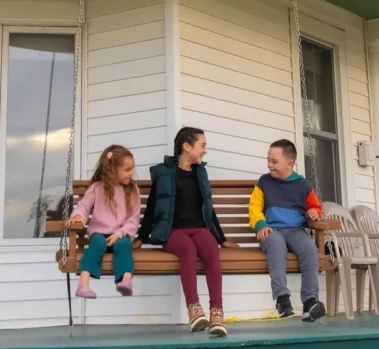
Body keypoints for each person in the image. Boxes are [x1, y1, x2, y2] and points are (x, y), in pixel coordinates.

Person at [138, 127, 232, 337]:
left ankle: (217, 312)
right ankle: (194, 309)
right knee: (188, 250)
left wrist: (221, 239)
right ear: (187, 147)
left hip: (199, 228)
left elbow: (209, 207)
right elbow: (153, 205)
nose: (205, 151)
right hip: (173, 231)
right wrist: (142, 237)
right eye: (202, 146)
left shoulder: (201, 172)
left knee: (211, 250)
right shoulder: (164, 172)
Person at [249, 139, 327, 321]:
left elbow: (315, 206)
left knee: (309, 250)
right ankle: (282, 301)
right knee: (276, 247)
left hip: (296, 231)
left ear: (290, 164)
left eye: (274, 162)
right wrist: (261, 224)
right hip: (271, 230)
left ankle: (310, 302)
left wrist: (315, 213)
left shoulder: (303, 184)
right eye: (268, 160)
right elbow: (254, 207)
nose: (269, 165)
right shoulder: (264, 182)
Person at [66, 145, 140, 298]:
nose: (131, 173)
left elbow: (133, 218)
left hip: (120, 235)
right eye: (127, 170)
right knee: (98, 244)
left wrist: (119, 233)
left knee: (124, 245)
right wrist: (78, 216)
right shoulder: (97, 188)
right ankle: (83, 284)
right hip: (99, 233)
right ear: (112, 170)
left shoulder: (132, 190)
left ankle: (126, 281)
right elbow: (83, 206)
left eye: (132, 169)